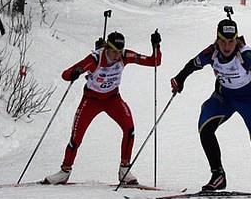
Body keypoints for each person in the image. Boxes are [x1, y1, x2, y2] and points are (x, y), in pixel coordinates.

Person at [170, 19, 251, 197]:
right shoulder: (210, 53)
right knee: (205, 127)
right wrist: (180, 79)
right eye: (223, 42)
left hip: (250, 100)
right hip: (223, 98)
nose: (227, 46)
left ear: (237, 40)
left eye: (231, 41)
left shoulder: (247, 55)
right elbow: (192, 65)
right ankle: (218, 175)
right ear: (217, 40)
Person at [44, 30, 162, 185]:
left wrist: (156, 45)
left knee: (129, 129)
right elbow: (65, 75)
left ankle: (124, 171)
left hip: (113, 99)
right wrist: (76, 72)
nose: (116, 55)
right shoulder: (95, 58)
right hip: (91, 100)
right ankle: (64, 172)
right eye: (113, 51)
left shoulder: (125, 56)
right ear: (106, 47)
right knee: (76, 138)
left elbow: (154, 62)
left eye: (119, 52)